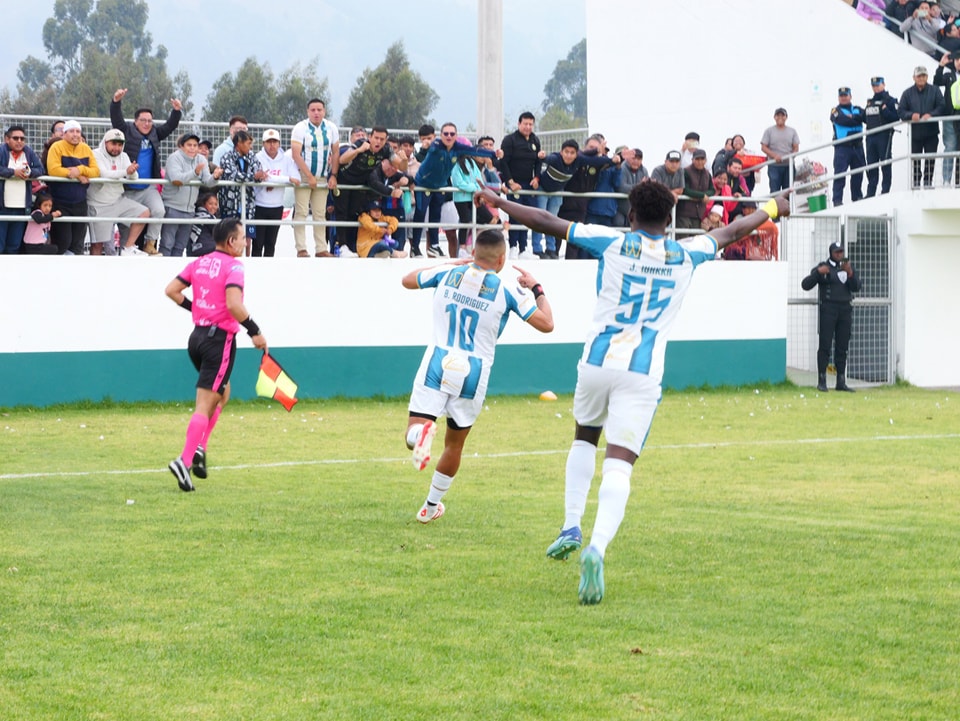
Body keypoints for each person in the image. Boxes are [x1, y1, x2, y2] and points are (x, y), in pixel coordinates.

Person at [473, 181, 791, 605]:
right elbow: (734, 231)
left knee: (585, 435)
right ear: (670, 216)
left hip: (597, 364)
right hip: (642, 374)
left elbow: (547, 220)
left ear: (631, 216)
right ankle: (597, 548)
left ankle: (571, 524)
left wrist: (499, 202)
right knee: (620, 462)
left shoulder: (613, 243)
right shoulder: (688, 252)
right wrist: (773, 205)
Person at [401, 228, 554, 523]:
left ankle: (419, 434)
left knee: (413, 435)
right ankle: (430, 507)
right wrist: (537, 288)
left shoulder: (446, 274)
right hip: (474, 372)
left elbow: (407, 280)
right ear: (502, 259)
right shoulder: (509, 289)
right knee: (454, 444)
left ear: (472, 253)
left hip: (438, 359)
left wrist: (447, 265)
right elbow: (547, 324)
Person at [164, 218, 268, 492]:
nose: (246, 242)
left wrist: (198, 309)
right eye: (243, 238)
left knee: (222, 392)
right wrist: (254, 331)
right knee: (205, 402)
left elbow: (172, 291)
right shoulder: (234, 266)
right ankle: (185, 461)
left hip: (196, 338)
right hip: (219, 340)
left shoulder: (199, 262)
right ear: (232, 241)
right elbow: (234, 304)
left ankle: (199, 447)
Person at [110, 88, 183, 254]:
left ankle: (150, 243)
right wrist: (116, 102)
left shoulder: (155, 133)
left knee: (159, 210)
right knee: (126, 225)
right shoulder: (126, 131)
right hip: (128, 188)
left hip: (148, 187)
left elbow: (170, 126)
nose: (146, 123)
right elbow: (116, 120)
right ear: (136, 121)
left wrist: (176, 111)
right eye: (143, 120)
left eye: (149, 120)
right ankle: (125, 250)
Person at [414, 123, 494, 257]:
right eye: (446, 134)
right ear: (440, 136)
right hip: (426, 186)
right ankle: (415, 248)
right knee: (421, 215)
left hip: (442, 190)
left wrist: (494, 154)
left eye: (452, 134)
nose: (449, 136)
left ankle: (438, 247)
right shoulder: (436, 148)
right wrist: (425, 149)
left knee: (439, 219)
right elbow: (426, 159)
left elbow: (475, 157)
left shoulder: (459, 153)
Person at [801, 242, 863, 393]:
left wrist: (850, 274)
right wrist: (818, 273)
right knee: (825, 345)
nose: (839, 254)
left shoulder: (847, 267)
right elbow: (806, 284)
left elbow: (857, 287)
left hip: (845, 310)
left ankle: (841, 380)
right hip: (828, 309)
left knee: (842, 346)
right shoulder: (824, 267)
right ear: (831, 253)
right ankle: (822, 380)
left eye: (841, 251)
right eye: (836, 252)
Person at [87, 128, 150, 256]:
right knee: (97, 244)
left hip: (118, 200)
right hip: (99, 205)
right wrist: (126, 172)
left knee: (144, 213)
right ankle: (92, 272)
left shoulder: (124, 156)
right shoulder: (95, 154)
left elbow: (134, 177)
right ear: (105, 143)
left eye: (120, 144)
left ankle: (128, 248)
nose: (117, 148)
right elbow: (104, 174)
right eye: (113, 144)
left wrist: (131, 172)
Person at [290, 99, 338, 257]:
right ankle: (301, 248)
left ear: (324, 111)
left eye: (319, 109)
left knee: (320, 213)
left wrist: (333, 175)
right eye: (313, 110)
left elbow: (336, 152)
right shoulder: (300, 128)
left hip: (323, 175)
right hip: (305, 175)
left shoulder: (331, 128)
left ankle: (321, 248)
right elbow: (296, 153)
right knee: (301, 211)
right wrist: (309, 176)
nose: (316, 113)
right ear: (307, 112)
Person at [161, 133, 221, 257]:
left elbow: (207, 182)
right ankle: (164, 273)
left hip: (190, 210)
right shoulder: (174, 158)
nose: (192, 148)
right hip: (172, 207)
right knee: (167, 244)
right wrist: (194, 172)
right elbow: (176, 179)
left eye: (195, 145)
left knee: (180, 245)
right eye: (189, 145)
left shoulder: (201, 159)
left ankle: (177, 273)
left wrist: (215, 177)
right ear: (182, 146)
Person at [45, 120, 99, 255]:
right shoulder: (56, 147)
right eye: (71, 131)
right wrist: (76, 175)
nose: (75, 135)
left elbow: (96, 171)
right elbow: (53, 170)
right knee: (63, 241)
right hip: (60, 201)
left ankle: (72, 271)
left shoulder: (86, 148)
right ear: (64, 134)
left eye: (78, 131)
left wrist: (79, 170)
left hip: (80, 202)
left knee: (77, 242)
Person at [499, 112, 546, 259]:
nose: (528, 127)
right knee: (515, 215)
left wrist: (537, 177)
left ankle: (523, 248)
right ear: (519, 124)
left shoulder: (535, 140)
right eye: (525, 124)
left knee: (528, 216)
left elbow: (538, 162)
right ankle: (513, 247)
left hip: (529, 184)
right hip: (514, 184)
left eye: (530, 124)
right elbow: (503, 162)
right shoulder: (509, 140)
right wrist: (510, 182)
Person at [254, 128, 300, 257]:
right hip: (260, 205)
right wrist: (285, 179)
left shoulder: (286, 160)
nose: (272, 145)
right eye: (268, 142)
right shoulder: (257, 157)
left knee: (271, 244)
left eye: (274, 141)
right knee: (257, 244)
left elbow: (296, 178)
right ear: (263, 144)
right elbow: (262, 177)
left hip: (277, 206)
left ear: (279, 143)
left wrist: (273, 181)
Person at [218, 130, 266, 252]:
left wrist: (256, 177)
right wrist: (253, 177)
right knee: (230, 236)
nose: (250, 147)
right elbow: (234, 175)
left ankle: (247, 260)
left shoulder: (252, 156)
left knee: (248, 237)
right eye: (248, 143)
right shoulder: (227, 157)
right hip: (230, 205)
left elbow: (259, 173)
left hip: (248, 204)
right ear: (239, 143)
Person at [0, 125, 44, 254]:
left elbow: (40, 169)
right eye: (15, 138)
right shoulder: (1, 151)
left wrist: (29, 173)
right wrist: (13, 172)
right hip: (2, 207)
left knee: (14, 245)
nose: (19, 141)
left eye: (22, 138)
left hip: (21, 207)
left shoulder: (28, 152)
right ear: (7, 139)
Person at [899, 65, 946, 187]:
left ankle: (928, 183)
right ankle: (915, 183)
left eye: (924, 75)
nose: (921, 78)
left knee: (930, 160)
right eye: (919, 76)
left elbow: (942, 106)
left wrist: (931, 114)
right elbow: (901, 111)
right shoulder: (907, 93)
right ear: (914, 77)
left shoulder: (935, 90)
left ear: (927, 77)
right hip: (915, 134)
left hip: (931, 133)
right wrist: (911, 115)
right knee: (915, 161)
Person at [864, 76, 900, 196]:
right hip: (871, 138)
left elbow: (896, 117)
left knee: (885, 164)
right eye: (874, 86)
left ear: (884, 84)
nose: (876, 88)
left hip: (884, 137)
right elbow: (865, 118)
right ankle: (870, 193)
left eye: (878, 85)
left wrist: (884, 110)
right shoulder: (870, 102)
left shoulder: (890, 100)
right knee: (871, 165)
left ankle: (885, 191)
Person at [830, 87, 866, 206]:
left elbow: (865, 117)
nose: (844, 98)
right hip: (843, 148)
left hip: (858, 147)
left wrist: (853, 117)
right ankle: (837, 200)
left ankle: (857, 197)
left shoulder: (857, 109)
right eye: (841, 96)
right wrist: (855, 119)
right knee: (840, 175)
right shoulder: (835, 110)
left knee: (858, 174)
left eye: (846, 95)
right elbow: (841, 120)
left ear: (850, 96)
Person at [934, 53, 960, 185]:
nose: (959, 62)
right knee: (950, 147)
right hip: (950, 116)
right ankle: (946, 181)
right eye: (957, 59)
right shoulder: (949, 75)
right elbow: (936, 82)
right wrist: (941, 66)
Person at [760, 108, 800, 193]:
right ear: (774, 117)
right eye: (778, 115)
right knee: (775, 191)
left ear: (786, 117)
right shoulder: (769, 131)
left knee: (788, 191)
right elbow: (763, 147)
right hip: (774, 165)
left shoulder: (792, 131)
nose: (780, 117)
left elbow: (796, 148)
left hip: (788, 165)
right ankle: (775, 206)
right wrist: (775, 156)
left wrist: (790, 157)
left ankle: (788, 206)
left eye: (783, 115)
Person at [677, 148, 713, 232]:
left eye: (702, 159)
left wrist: (704, 195)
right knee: (682, 241)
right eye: (697, 159)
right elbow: (685, 189)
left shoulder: (707, 174)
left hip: (698, 214)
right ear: (692, 160)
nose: (700, 162)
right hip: (684, 213)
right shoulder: (685, 171)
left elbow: (712, 190)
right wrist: (702, 196)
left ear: (706, 160)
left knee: (695, 242)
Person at [188, 192, 220, 257]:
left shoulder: (198, 214)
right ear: (204, 204)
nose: (213, 207)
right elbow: (218, 231)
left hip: (193, 250)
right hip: (202, 250)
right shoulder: (206, 217)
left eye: (216, 204)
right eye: (210, 204)